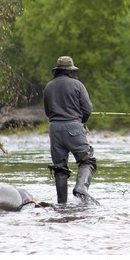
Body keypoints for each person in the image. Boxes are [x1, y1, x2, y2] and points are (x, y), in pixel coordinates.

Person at [43, 56, 98, 205]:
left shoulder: (48, 86)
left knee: (60, 169)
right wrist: (81, 121)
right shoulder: (78, 85)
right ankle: (81, 188)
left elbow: (48, 112)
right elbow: (87, 109)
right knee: (87, 161)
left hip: (54, 129)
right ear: (70, 71)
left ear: (58, 71)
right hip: (73, 127)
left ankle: (62, 205)